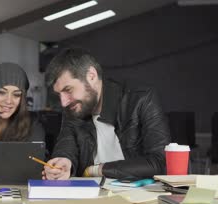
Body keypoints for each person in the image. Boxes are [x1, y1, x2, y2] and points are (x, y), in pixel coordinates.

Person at [43, 47, 170, 181]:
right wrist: (63, 164)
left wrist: (95, 170)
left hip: (138, 196)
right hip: (92, 197)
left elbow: (160, 162)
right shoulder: (73, 109)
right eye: (59, 94)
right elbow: (66, 146)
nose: (63, 102)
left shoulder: (141, 98)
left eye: (68, 90)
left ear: (91, 76)